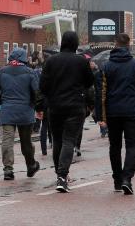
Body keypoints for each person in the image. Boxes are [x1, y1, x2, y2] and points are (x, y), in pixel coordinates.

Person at [94, 33, 135, 196]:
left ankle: (117, 180)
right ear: (129, 44)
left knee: (115, 146)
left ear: (115, 44)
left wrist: (101, 117)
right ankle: (127, 179)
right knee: (132, 145)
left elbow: (101, 93)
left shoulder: (106, 67)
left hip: (112, 112)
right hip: (133, 111)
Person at [39, 31, 94, 192]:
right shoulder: (81, 61)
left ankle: (59, 174)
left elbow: (42, 86)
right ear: (76, 43)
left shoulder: (51, 61)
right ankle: (63, 176)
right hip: (75, 106)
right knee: (69, 140)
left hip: (55, 106)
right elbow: (89, 82)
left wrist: (41, 105)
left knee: (57, 140)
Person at [0, 46, 41, 181]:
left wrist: (2, 102)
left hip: (7, 111)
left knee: (7, 140)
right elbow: (36, 93)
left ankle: (8, 170)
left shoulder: (2, 71)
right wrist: (34, 106)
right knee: (26, 142)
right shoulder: (30, 72)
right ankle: (31, 165)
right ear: (24, 58)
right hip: (25, 112)